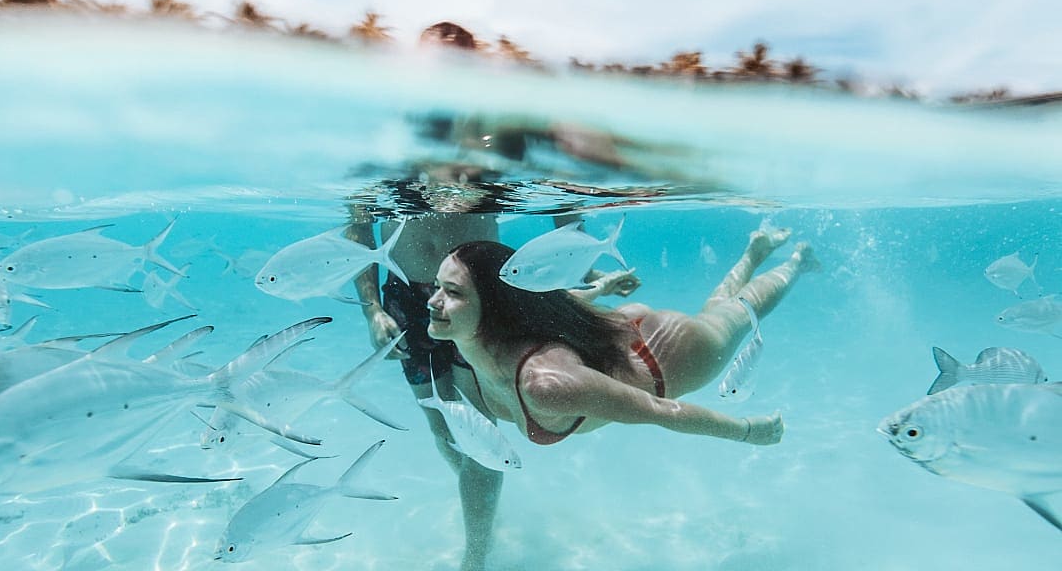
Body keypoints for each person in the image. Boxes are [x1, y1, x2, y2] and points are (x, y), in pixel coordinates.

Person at [345, 169, 639, 571]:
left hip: (481, 299)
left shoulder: (482, 167)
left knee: (480, 432)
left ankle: (476, 557)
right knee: (441, 425)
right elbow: (358, 225)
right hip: (408, 298)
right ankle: (480, 504)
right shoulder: (392, 171)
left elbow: (560, 196)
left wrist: (584, 270)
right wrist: (372, 310)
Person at [426, 225, 816, 452]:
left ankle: (797, 262)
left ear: (493, 307)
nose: (432, 301)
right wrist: (601, 288)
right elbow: (543, 306)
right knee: (719, 312)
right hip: (621, 331)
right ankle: (755, 250)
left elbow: (660, 411)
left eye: (453, 292)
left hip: (668, 355)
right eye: (438, 286)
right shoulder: (480, 342)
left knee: (738, 313)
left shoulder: (544, 385)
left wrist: (747, 431)